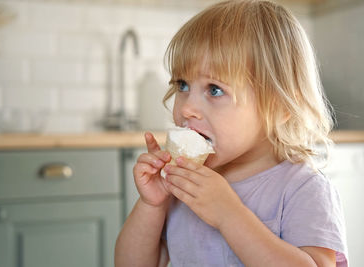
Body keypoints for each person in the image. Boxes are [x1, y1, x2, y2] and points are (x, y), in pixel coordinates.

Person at [115, 0, 348, 266]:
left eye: (214, 89)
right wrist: (152, 205)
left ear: (279, 107)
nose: (188, 107)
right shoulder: (182, 184)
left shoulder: (303, 189)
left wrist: (229, 215)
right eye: (183, 84)